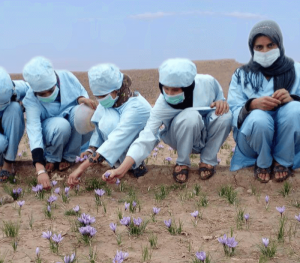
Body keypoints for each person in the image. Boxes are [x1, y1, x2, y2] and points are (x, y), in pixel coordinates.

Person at [101, 58, 232, 184]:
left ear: (188, 86)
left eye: (175, 90)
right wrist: (121, 169)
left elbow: (221, 98)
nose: (169, 94)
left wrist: (221, 103)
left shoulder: (208, 83)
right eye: (166, 89)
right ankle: (182, 162)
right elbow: (147, 136)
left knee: (225, 115)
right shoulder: (162, 104)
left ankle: (208, 160)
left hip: (205, 132)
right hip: (179, 136)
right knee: (190, 117)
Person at [228, 20, 300, 183]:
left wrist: (292, 99)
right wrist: (252, 105)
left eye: (270, 45)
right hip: (253, 140)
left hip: (289, 142)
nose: (265, 51)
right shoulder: (241, 75)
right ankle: (263, 162)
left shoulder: (296, 70)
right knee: (259, 118)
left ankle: (282, 161)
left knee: (295, 109)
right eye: (259, 47)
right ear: (252, 49)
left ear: (279, 45)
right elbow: (232, 111)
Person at [67, 63, 151, 187]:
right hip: (115, 142)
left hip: (134, 147)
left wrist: (81, 168)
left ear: (116, 90)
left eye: (102, 96)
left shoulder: (136, 108)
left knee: (111, 125)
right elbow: (99, 128)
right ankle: (111, 161)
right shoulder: (113, 101)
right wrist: (91, 149)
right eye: (97, 96)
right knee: (105, 116)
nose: (100, 100)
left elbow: (116, 139)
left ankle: (133, 166)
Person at [22, 56, 96, 189]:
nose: (48, 95)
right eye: (42, 94)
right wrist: (40, 169)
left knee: (85, 115)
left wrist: (81, 99)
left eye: (50, 90)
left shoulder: (67, 77)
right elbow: (34, 130)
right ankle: (52, 157)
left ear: (55, 79)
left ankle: (69, 156)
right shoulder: (31, 100)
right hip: (52, 131)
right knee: (61, 125)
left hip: (72, 129)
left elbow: (80, 94)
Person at [0, 67, 29, 182]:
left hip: (9, 130)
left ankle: (8, 163)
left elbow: (37, 93)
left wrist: (24, 104)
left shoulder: (18, 88)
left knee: (14, 108)